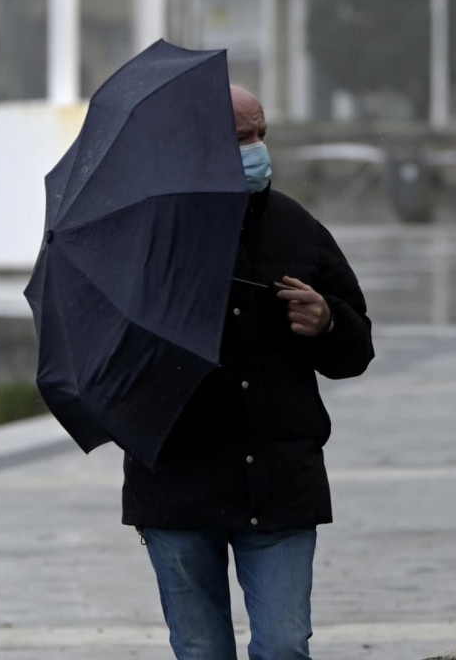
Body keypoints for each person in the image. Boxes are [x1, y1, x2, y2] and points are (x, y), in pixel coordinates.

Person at [121, 84, 374, 660]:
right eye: (241, 138)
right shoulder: (151, 235)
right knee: (201, 649)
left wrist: (328, 321)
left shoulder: (296, 227)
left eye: (261, 134)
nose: (257, 149)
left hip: (280, 484)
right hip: (177, 488)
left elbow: (355, 352)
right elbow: (116, 364)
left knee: (284, 647)